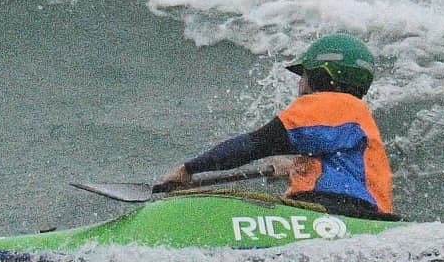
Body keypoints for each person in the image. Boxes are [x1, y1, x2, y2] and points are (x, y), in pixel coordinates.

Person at [160, 33, 395, 219]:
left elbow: (257, 143)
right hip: (363, 218)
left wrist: (188, 169)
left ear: (323, 75)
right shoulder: (353, 117)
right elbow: (344, 169)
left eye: (303, 75)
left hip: (339, 213)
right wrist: (298, 167)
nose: (300, 84)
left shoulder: (332, 104)